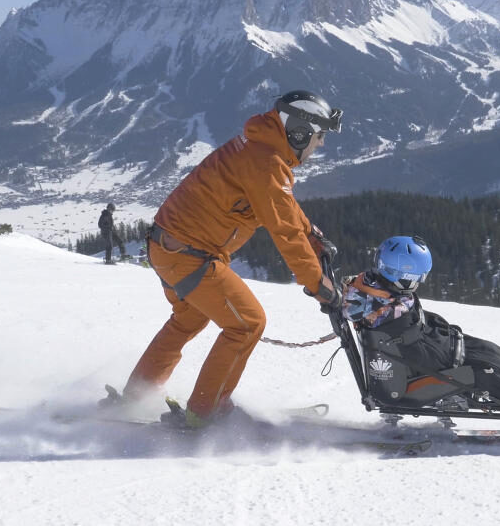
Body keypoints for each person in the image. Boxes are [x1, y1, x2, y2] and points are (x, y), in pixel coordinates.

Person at [118, 90, 344, 427]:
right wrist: (318, 284)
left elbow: (281, 204)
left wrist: (310, 230)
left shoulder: (263, 153)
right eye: (320, 135)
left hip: (169, 248)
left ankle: (134, 400)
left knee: (188, 320)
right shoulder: (265, 162)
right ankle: (206, 413)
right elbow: (285, 233)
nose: (321, 144)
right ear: (299, 131)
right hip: (188, 255)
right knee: (247, 323)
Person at [342, 236, 500, 424]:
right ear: (400, 275)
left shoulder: (371, 290)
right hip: (426, 368)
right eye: (415, 278)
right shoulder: (387, 305)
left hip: (430, 349)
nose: (418, 283)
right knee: (490, 368)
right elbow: (410, 343)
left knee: (492, 352)